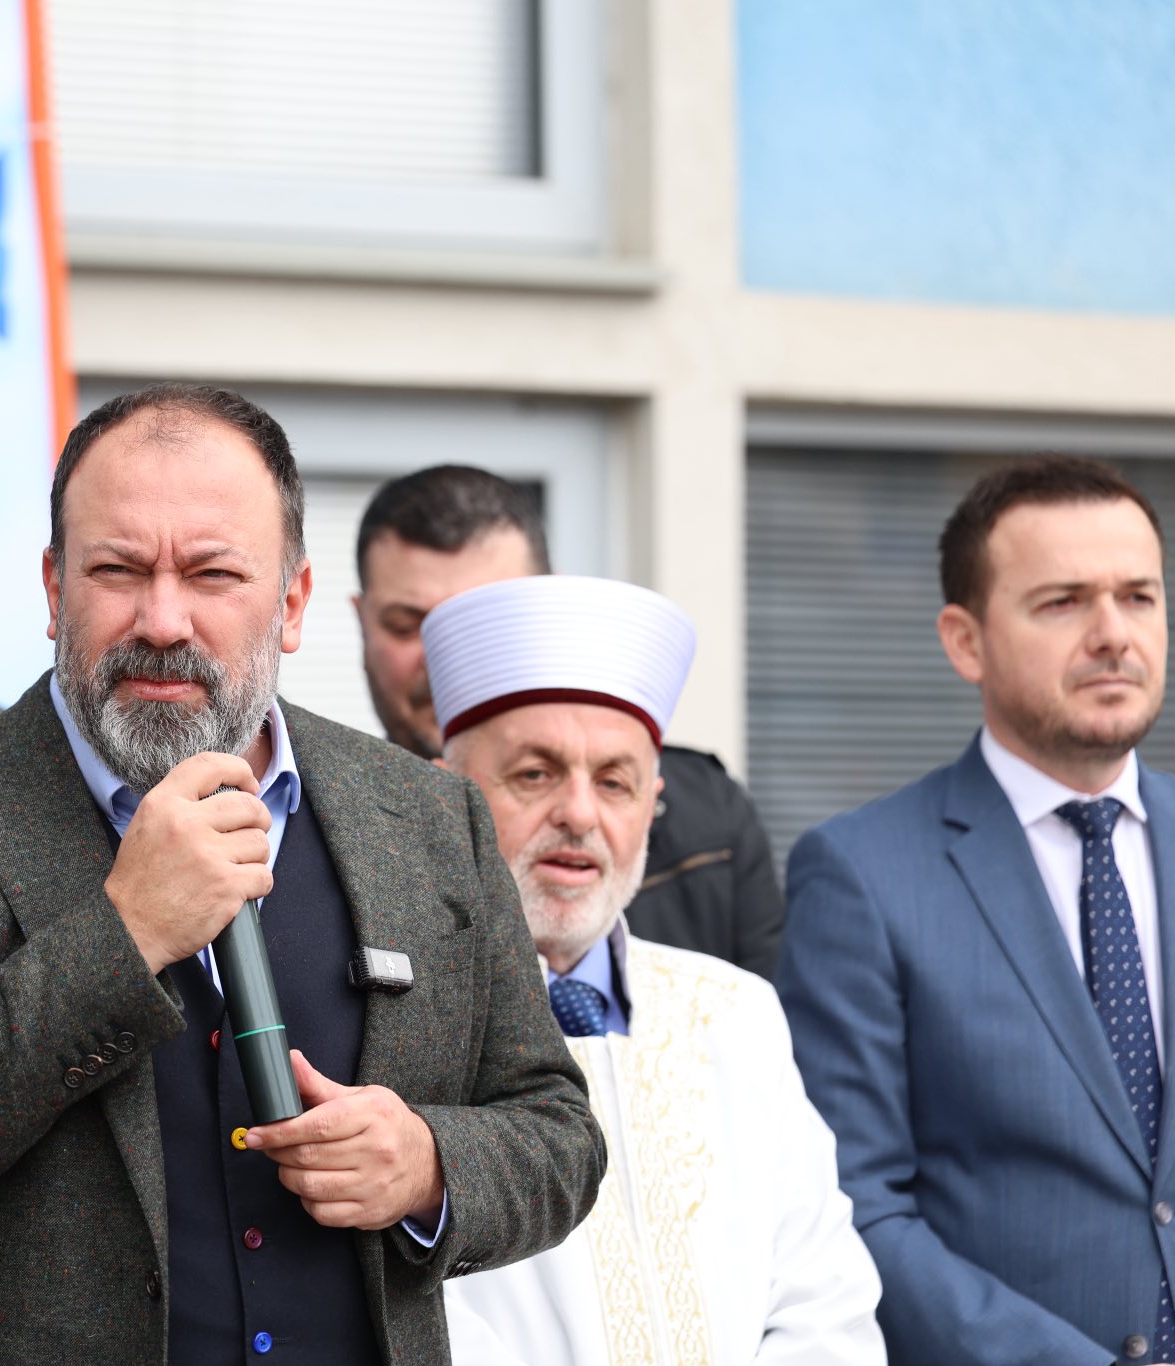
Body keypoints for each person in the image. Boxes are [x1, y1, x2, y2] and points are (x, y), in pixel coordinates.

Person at [0, 383, 605, 1364]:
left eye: (211, 574)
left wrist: (428, 1165)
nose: (162, 620)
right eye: (117, 569)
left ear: (291, 603)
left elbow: (557, 1134)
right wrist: (121, 938)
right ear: (53, 589)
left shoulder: (427, 818)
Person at [423, 575, 882, 1364]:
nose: (580, 813)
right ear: (445, 793)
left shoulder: (738, 1013)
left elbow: (825, 1301)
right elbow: (410, 1309)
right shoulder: (401, 1016)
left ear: (652, 803)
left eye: (615, 782)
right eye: (535, 774)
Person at [781, 456, 1175, 1365]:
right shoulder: (863, 875)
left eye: (1139, 597)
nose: (1113, 635)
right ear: (966, 642)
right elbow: (853, 1207)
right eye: (1064, 602)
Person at [354, 465, 785, 977]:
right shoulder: (329, 832)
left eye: (491, 620)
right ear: (362, 619)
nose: (445, 657)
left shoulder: (710, 823)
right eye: (407, 625)